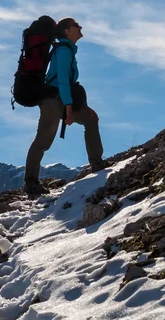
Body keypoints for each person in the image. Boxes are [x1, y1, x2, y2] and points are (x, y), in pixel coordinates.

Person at [24, 17, 107, 194]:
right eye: (76, 25)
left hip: (61, 99)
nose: (80, 26)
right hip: (53, 101)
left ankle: (97, 164)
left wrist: (82, 106)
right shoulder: (63, 50)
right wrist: (69, 108)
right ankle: (31, 183)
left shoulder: (68, 49)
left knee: (91, 120)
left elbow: (67, 82)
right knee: (43, 140)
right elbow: (62, 79)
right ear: (66, 31)